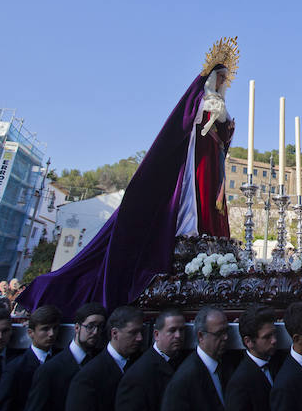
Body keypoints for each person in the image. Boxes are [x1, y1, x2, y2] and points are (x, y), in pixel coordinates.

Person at [18, 40, 239, 316]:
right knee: (188, 213)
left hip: (211, 171)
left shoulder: (220, 104)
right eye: (219, 77)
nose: (222, 82)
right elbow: (186, 125)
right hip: (196, 167)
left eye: (224, 79)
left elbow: (224, 138)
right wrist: (208, 115)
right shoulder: (200, 100)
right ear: (209, 78)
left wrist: (225, 123)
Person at [25, 302, 107, 411]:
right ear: (77, 327)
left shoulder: (99, 364)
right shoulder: (49, 370)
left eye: (100, 327)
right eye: (90, 326)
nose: (95, 332)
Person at [65, 306, 145, 411]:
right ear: (114, 333)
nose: (140, 338)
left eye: (141, 332)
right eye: (133, 332)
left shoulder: (142, 365)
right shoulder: (87, 377)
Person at [0, 304, 62, 411]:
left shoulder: (61, 362)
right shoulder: (15, 368)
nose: (51, 334)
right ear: (31, 333)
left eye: (55, 328)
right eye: (45, 329)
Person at [115, 308, 184, 411]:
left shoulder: (184, 362)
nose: (178, 336)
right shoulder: (137, 375)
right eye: (172, 330)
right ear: (156, 335)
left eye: (182, 330)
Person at [162, 306, 230, 411]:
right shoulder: (184, 380)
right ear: (201, 336)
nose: (225, 337)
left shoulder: (227, 366)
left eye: (226, 331)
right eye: (219, 333)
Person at [226, 305, 276, 411]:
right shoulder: (239, 384)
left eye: (274, 334)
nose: (274, 340)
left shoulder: (276, 363)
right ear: (248, 342)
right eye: (267, 337)